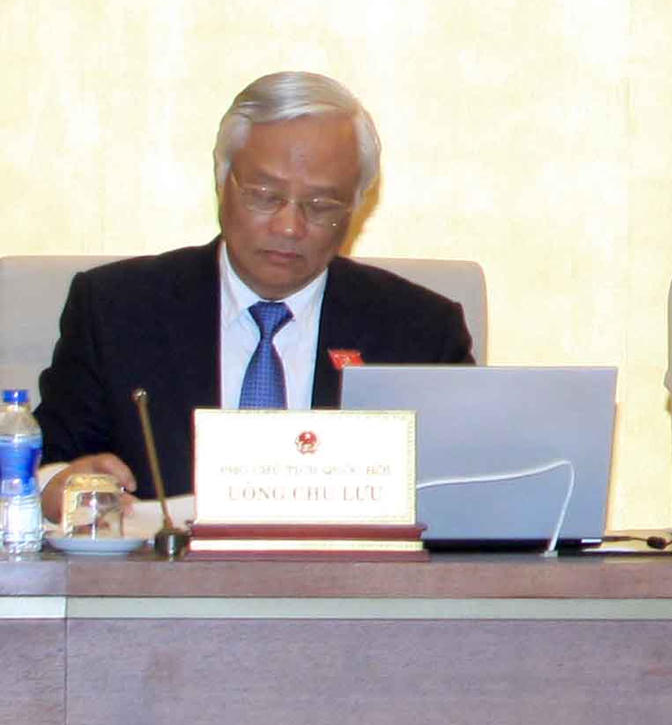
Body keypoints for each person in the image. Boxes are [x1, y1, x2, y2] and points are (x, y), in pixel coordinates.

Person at [36, 71, 474, 503]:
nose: (289, 226)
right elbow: (46, 462)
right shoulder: (116, 309)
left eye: (321, 206)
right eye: (265, 196)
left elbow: (467, 496)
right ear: (221, 180)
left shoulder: (422, 334)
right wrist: (57, 486)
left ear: (357, 207)